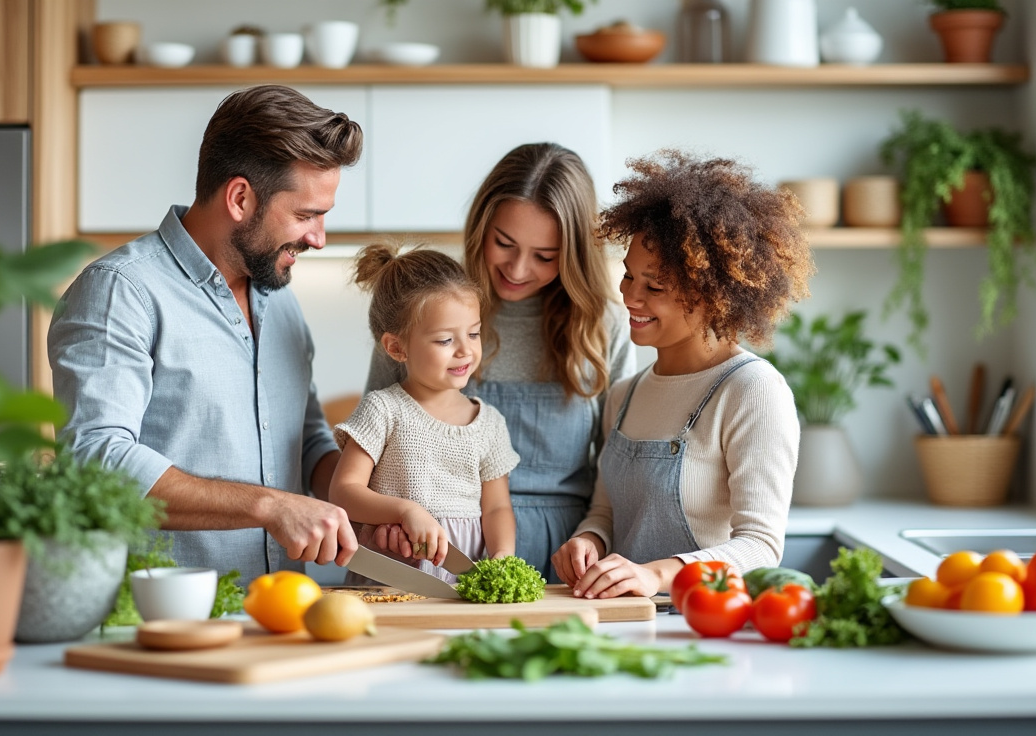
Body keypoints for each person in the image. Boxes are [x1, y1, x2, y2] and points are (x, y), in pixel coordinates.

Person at [48, 85, 363, 582]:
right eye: (306, 216)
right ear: (240, 198)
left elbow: (305, 441)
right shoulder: (122, 292)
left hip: (280, 611)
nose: (318, 238)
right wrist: (267, 506)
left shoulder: (279, 297)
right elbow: (97, 461)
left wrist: (374, 502)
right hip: (160, 619)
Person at [365, 143, 636, 583]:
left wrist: (594, 539)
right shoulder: (429, 305)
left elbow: (619, 471)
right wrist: (386, 525)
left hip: (563, 558)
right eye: (503, 243)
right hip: (437, 554)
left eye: (546, 256)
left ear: (573, 254)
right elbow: (368, 460)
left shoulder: (602, 325)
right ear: (481, 227)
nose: (517, 268)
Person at [551, 150, 816, 599]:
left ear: (714, 294)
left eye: (654, 286)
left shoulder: (752, 390)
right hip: (623, 618)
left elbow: (761, 546)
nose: (630, 297)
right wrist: (589, 540)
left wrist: (655, 575)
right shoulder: (624, 394)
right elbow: (607, 511)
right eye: (628, 277)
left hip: (704, 621)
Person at [329, 245, 519, 582]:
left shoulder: (489, 423)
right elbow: (343, 491)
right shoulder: (383, 410)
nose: (465, 350)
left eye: (473, 333)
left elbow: (497, 508)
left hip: (460, 581)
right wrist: (405, 511)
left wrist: (503, 555)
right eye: (445, 340)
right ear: (397, 347)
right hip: (389, 577)